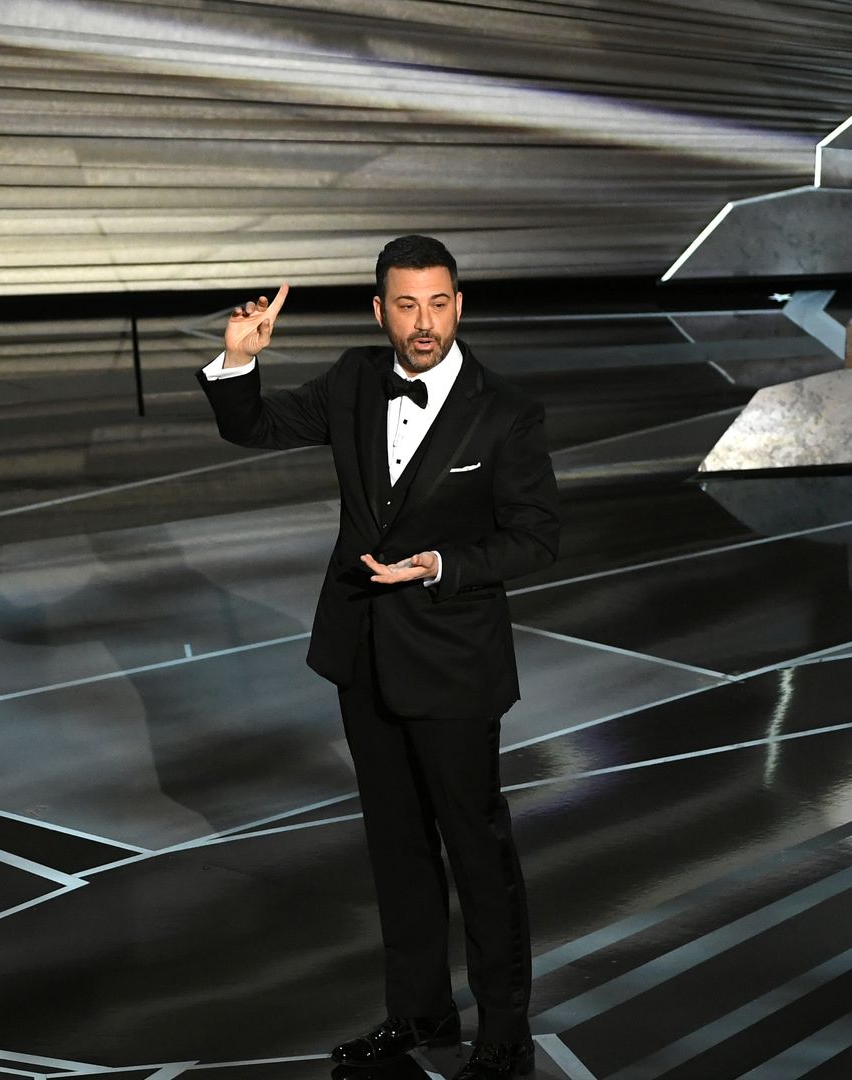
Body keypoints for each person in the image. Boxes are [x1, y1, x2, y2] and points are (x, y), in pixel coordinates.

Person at [197, 235, 558, 1079]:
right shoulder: (356, 378)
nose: (423, 322)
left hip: (454, 662)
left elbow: (537, 538)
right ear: (379, 310)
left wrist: (441, 565)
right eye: (406, 304)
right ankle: (420, 1012)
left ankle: (504, 1033)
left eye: (438, 303)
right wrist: (235, 361)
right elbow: (253, 425)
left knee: (477, 848)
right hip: (363, 655)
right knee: (396, 848)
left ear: (459, 306)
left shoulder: (506, 411)